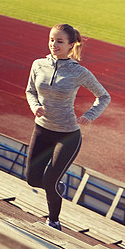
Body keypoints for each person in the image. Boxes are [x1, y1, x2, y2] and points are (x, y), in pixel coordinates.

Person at [25, 23, 110, 231]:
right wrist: (35, 106)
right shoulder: (38, 65)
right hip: (42, 130)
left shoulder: (79, 72)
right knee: (32, 179)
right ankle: (56, 186)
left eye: (60, 41)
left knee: (51, 182)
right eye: (51, 39)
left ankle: (53, 221)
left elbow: (103, 96)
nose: (54, 44)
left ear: (71, 45)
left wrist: (90, 115)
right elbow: (30, 91)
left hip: (67, 135)